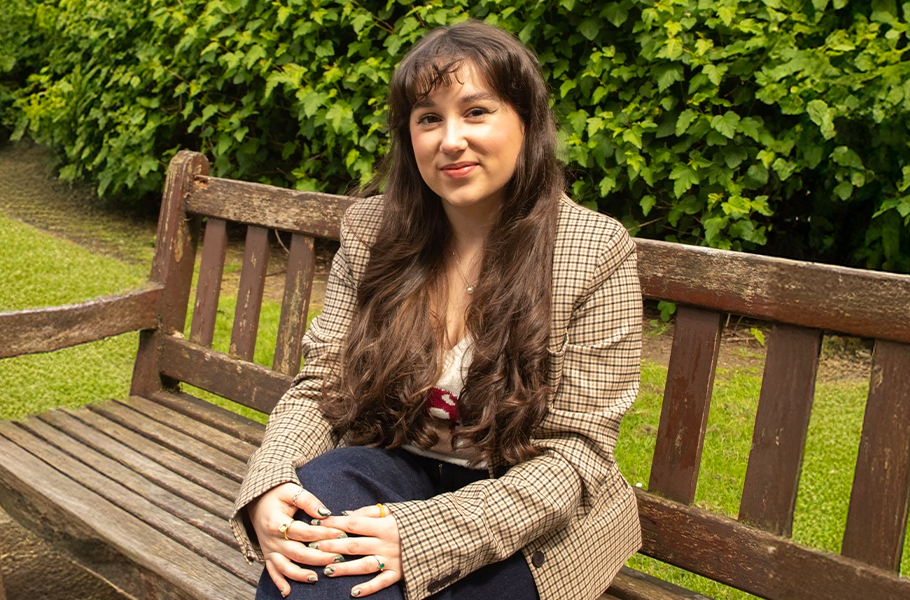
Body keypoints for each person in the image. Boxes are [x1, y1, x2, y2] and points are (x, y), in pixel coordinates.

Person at [231, 19, 642, 600]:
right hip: (395, 461)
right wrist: (270, 483)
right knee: (310, 553)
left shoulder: (594, 250)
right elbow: (322, 382)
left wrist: (420, 533)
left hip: (527, 510)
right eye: (429, 118)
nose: (451, 139)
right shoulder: (375, 231)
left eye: (476, 112)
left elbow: (578, 456)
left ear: (526, 123)